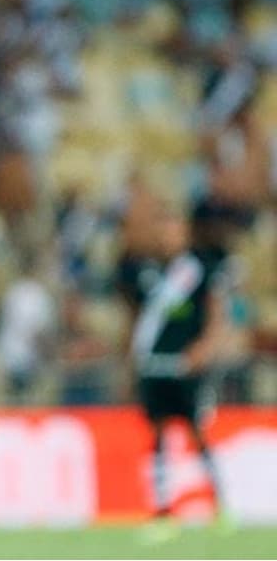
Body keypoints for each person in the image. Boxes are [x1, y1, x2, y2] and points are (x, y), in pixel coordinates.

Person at [130, 204, 232, 544]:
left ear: (184, 232)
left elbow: (217, 310)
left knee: (196, 431)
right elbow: (139, 316)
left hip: (184, 365)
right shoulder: (147, 271)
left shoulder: (199, 269)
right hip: (155, 364)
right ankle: (163, 512)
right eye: (163, 229)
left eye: (173, 229)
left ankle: (221, 505)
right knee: (158, 434)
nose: (167, 236)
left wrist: (205, 346)